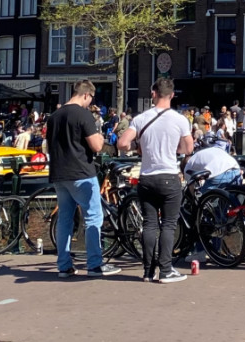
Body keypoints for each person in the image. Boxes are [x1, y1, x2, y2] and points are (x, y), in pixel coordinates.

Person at [117, 78, 195, 283]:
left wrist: (137, 148)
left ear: (153, 94)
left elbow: (122, 143)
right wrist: (174, 148)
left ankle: (148, 271)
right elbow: (189, 148)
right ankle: (166, 270)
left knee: (150, 224)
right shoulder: (180, 120)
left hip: (146, 178)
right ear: (172, 95)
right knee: (168, 224)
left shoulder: (140, 119)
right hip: (169, 176)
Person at [46, 80, 118, 277]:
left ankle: (64, 266)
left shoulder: (54, 116)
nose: (90, 102)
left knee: (65, 219)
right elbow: (96, 146)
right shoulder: (83, 114)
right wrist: (100, 137)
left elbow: (48, 146)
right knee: (94, 217)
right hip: (81, 173)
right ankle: (94, 264)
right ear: (86, 95)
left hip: (59, 174)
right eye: (91, 98)